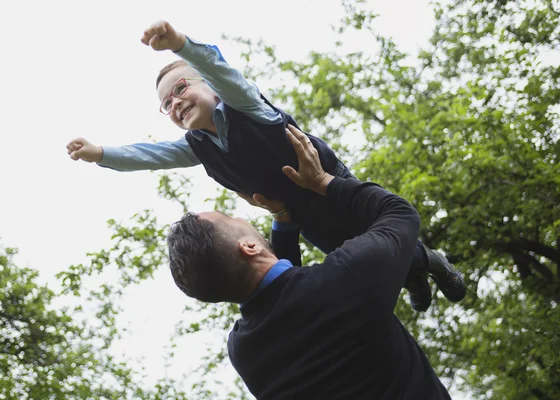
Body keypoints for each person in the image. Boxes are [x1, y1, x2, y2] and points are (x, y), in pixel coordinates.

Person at [66, 19, 465, 311]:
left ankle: (431, 261)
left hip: (330, 185)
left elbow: (220, 69)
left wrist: (181, 46)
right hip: (302, 215)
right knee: (359, 255)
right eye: (166, 104)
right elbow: (149, 156)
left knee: (384, 238)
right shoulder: (198, 147)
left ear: (209, 87)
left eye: (181, 89)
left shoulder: (245, 106)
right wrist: (101, 153)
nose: (176, 103)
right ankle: (413, 270)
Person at [167, 124, 452, 399]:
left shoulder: (245, 351)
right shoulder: (345, 278)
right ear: (249, 246)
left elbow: (287, 297)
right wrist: (323, 181)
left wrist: (282, 216)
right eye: (230, 218)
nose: (240, 217)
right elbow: (400, 214)